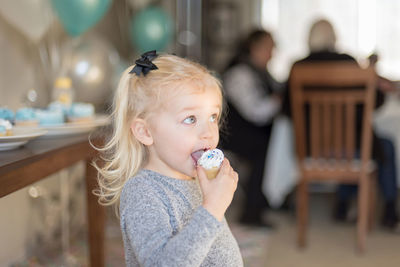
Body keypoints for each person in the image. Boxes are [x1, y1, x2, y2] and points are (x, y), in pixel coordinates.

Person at [94, 51, 244, 266]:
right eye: (190, 119)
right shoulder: (143, 192)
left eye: (213, 117)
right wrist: (213, 208)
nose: (209, 132)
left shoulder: (195, 179)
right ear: (145, 132)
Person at [285, 19, 399, 232]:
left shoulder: (297, 67)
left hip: (311, 149)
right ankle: (390, 211)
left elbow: (286, 110)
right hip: (351, 150)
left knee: (353, 145)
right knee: (381, 146)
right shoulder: (348, 63)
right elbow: (377, 101)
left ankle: (342, 204)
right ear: (334, 38)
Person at [220, 29, 282, 227]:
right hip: (231, 133)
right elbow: (255, 111)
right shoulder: (239, 73)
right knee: (264, 146)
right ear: (254, 48)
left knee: (276, 141)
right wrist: (277, 102)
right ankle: (252, 211)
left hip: (249, 129)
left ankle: (270, 197)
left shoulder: (260, 72)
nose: (272, 54)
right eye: (269, 49)